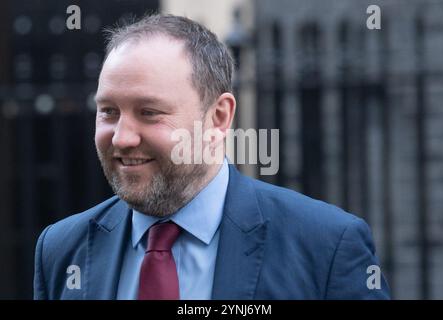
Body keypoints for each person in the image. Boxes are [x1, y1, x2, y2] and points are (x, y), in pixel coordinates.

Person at [33, 13, 390, 300]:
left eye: (149, 112)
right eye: (109, 112)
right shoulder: (62, 250)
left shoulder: (324, 247)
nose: (122, 138)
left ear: (218, 117)